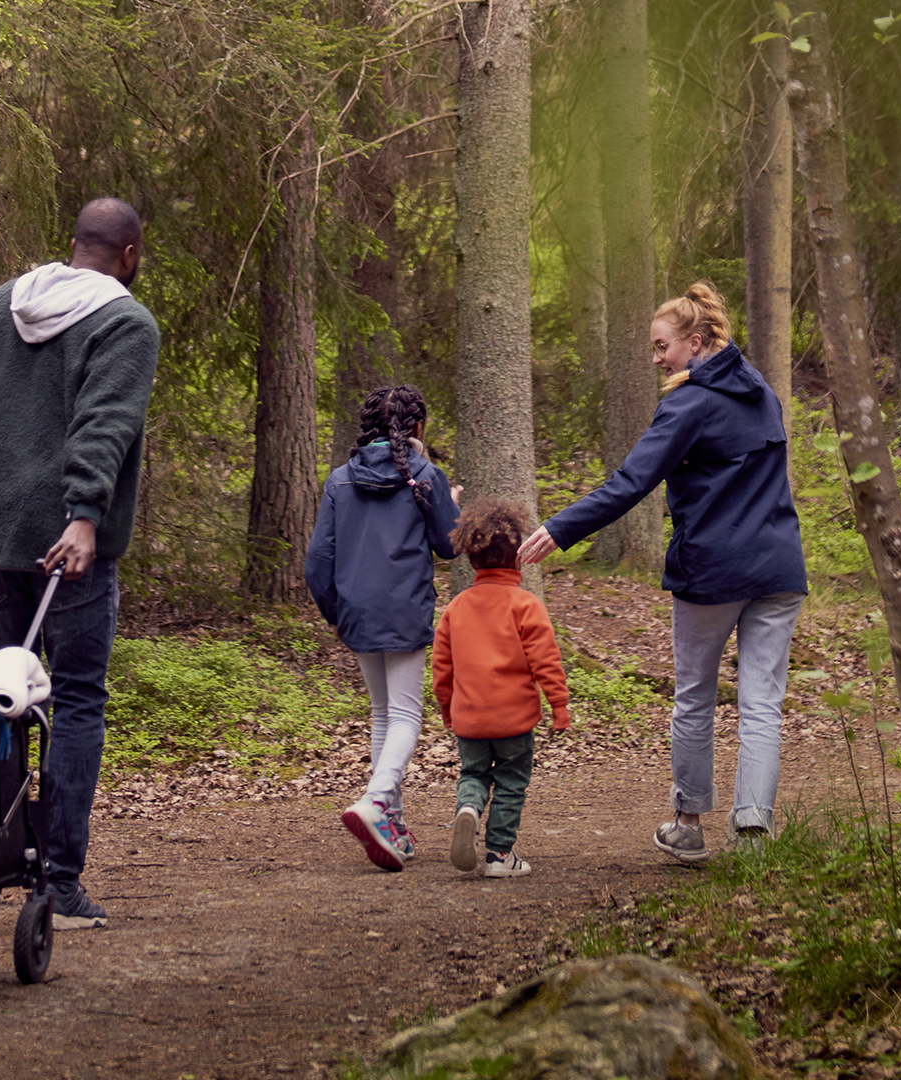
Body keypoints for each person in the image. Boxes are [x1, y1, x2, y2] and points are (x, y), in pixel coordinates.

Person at [0, 197, 160, 928]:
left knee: (4, 697)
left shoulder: (0, 305)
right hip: (68, 540)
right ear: (128, 255)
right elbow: (106, 425)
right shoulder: (126, 322)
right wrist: (83, 515)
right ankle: (57, 883)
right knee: (77, 699)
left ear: (72, 246)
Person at [518, 281, 806, 863]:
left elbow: (631, 483)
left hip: (713, 572)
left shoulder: (689, 402)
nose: (656, 359)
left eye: (662, 346)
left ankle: (689, 825)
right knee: (761, 704)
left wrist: (562, 528)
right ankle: (752, 833)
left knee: (696, 697)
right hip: (779, 567)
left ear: (695, 342)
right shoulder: (763, 394)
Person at [305, 384, 461, 872]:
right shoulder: (425, 475)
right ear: (417, 428)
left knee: (381, 715)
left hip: (357, 612)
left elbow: (317, 563)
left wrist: (339, 613)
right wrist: (450, 501)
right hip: (406, 610)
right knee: (406, 716)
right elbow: (450, 544)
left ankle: (390, 823)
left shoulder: (338, 481)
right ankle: (375, 802)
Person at [434, 500, 570, 879]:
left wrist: (447, 708)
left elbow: (441, 668)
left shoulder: (455, 609)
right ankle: (498, 855)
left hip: (470, 719)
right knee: (511, 780)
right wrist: (559, 706)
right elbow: (546, 661)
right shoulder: (526, 605)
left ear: (472, 560)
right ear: (518, 560)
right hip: (514, 720)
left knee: (473, 773)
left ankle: (469, 809)